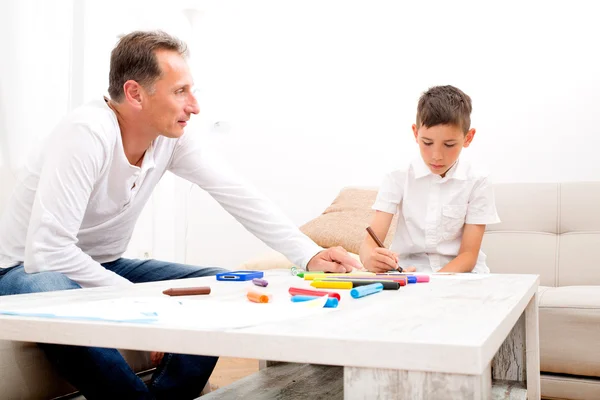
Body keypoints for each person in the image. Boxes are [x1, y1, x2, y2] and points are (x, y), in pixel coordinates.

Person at [0, 30, 360, 399]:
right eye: (180, 92)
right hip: (25, 271)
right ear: (135, 93)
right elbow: (47, 254)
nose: (194, 106)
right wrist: (151, 306)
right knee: (53, 290)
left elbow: (237, 194)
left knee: (228, 283)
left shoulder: (170, 139)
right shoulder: (86, 133)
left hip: (105, 264)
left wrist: (309, 253)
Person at [359, 85, 500, 274]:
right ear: (415, 133)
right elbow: (369, 244)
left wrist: (432, 283)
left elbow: (468, 256)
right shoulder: (397, 177)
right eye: (427, 143)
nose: (436, 156)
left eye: (449, 145)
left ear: (468, 137)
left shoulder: (477, 181)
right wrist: (370, 258)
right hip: (409, 274)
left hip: (461, 277)